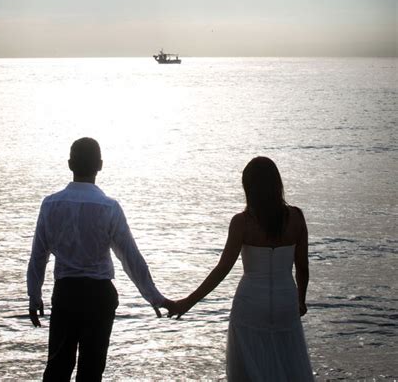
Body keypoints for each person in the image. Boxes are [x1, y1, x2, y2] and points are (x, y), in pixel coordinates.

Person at [27, 136, 170, 381]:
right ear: (100, 165)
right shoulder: (109, 207)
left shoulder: (51, 205)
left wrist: (34, 296)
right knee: (91, 372)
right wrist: (154, 297)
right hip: (99, 296)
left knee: (57, 369)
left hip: (66, 294)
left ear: (70, 164)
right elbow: (130, 258)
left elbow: (38, 256)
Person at [167, 156, 314, 381]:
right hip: (286, 302)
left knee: (250, 370)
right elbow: (302, 268)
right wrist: (300, 301)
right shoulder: (296, 217)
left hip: (251, 304)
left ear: (249, 188)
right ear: (277, 184)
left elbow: (222, 269)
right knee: (287, 365)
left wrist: (188, 302)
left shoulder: (242, 222)